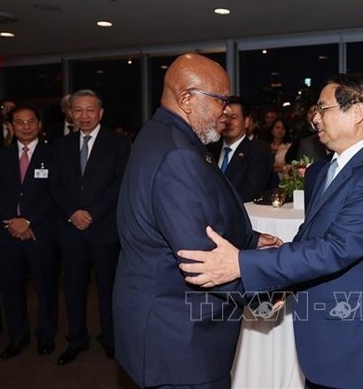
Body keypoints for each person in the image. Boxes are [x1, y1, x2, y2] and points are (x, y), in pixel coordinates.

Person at [178, 73, 363, 389]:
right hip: (329, 336)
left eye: (322, 108)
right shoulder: (322, 170)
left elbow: (334, 249)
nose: (314, 118)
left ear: (356, 113)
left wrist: (240, 264)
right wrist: (279, 284)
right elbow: (311, 237)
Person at [112, 53, 279, 389]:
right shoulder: (177, 153)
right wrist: (262, 298)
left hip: (162, 319)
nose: (226, 112)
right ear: (187, 99)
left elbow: (195, 215)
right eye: (221, 100)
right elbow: (199, 258)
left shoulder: (161, 132)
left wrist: (249, 237)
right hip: (178, 338)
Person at [50, 89, 130, 365]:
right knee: (72, 288)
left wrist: (91, 213)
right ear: (70, 114)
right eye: (78, 110)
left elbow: (119, 184)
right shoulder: (59, 146)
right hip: (71, 231)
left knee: (108, 289)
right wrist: (73, 212)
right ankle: (76, 339)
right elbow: (54, 185)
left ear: (101, 112)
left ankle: (110, 338)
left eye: (90, 110)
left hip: (104, 229)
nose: (84, 115)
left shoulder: (119, 144)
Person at [0, 105, 58, 359]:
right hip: (7, 233)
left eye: (31, 121)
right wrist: (13, 222)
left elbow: (54, 193)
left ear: (39, 125)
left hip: (40, 232)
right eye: (20, 122)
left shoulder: (53, 155)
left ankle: (46, 335)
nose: (26, 126)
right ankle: (17, 337)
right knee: (11, 288)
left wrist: (28, 221)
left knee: (45, 286)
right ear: (11, 126)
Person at [207, 95, 273, 202]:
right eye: (224, 116)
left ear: (246, 122)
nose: (227, 122)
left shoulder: (258, 152)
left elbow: (250, 193)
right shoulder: (210, 149)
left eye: (233, 117)